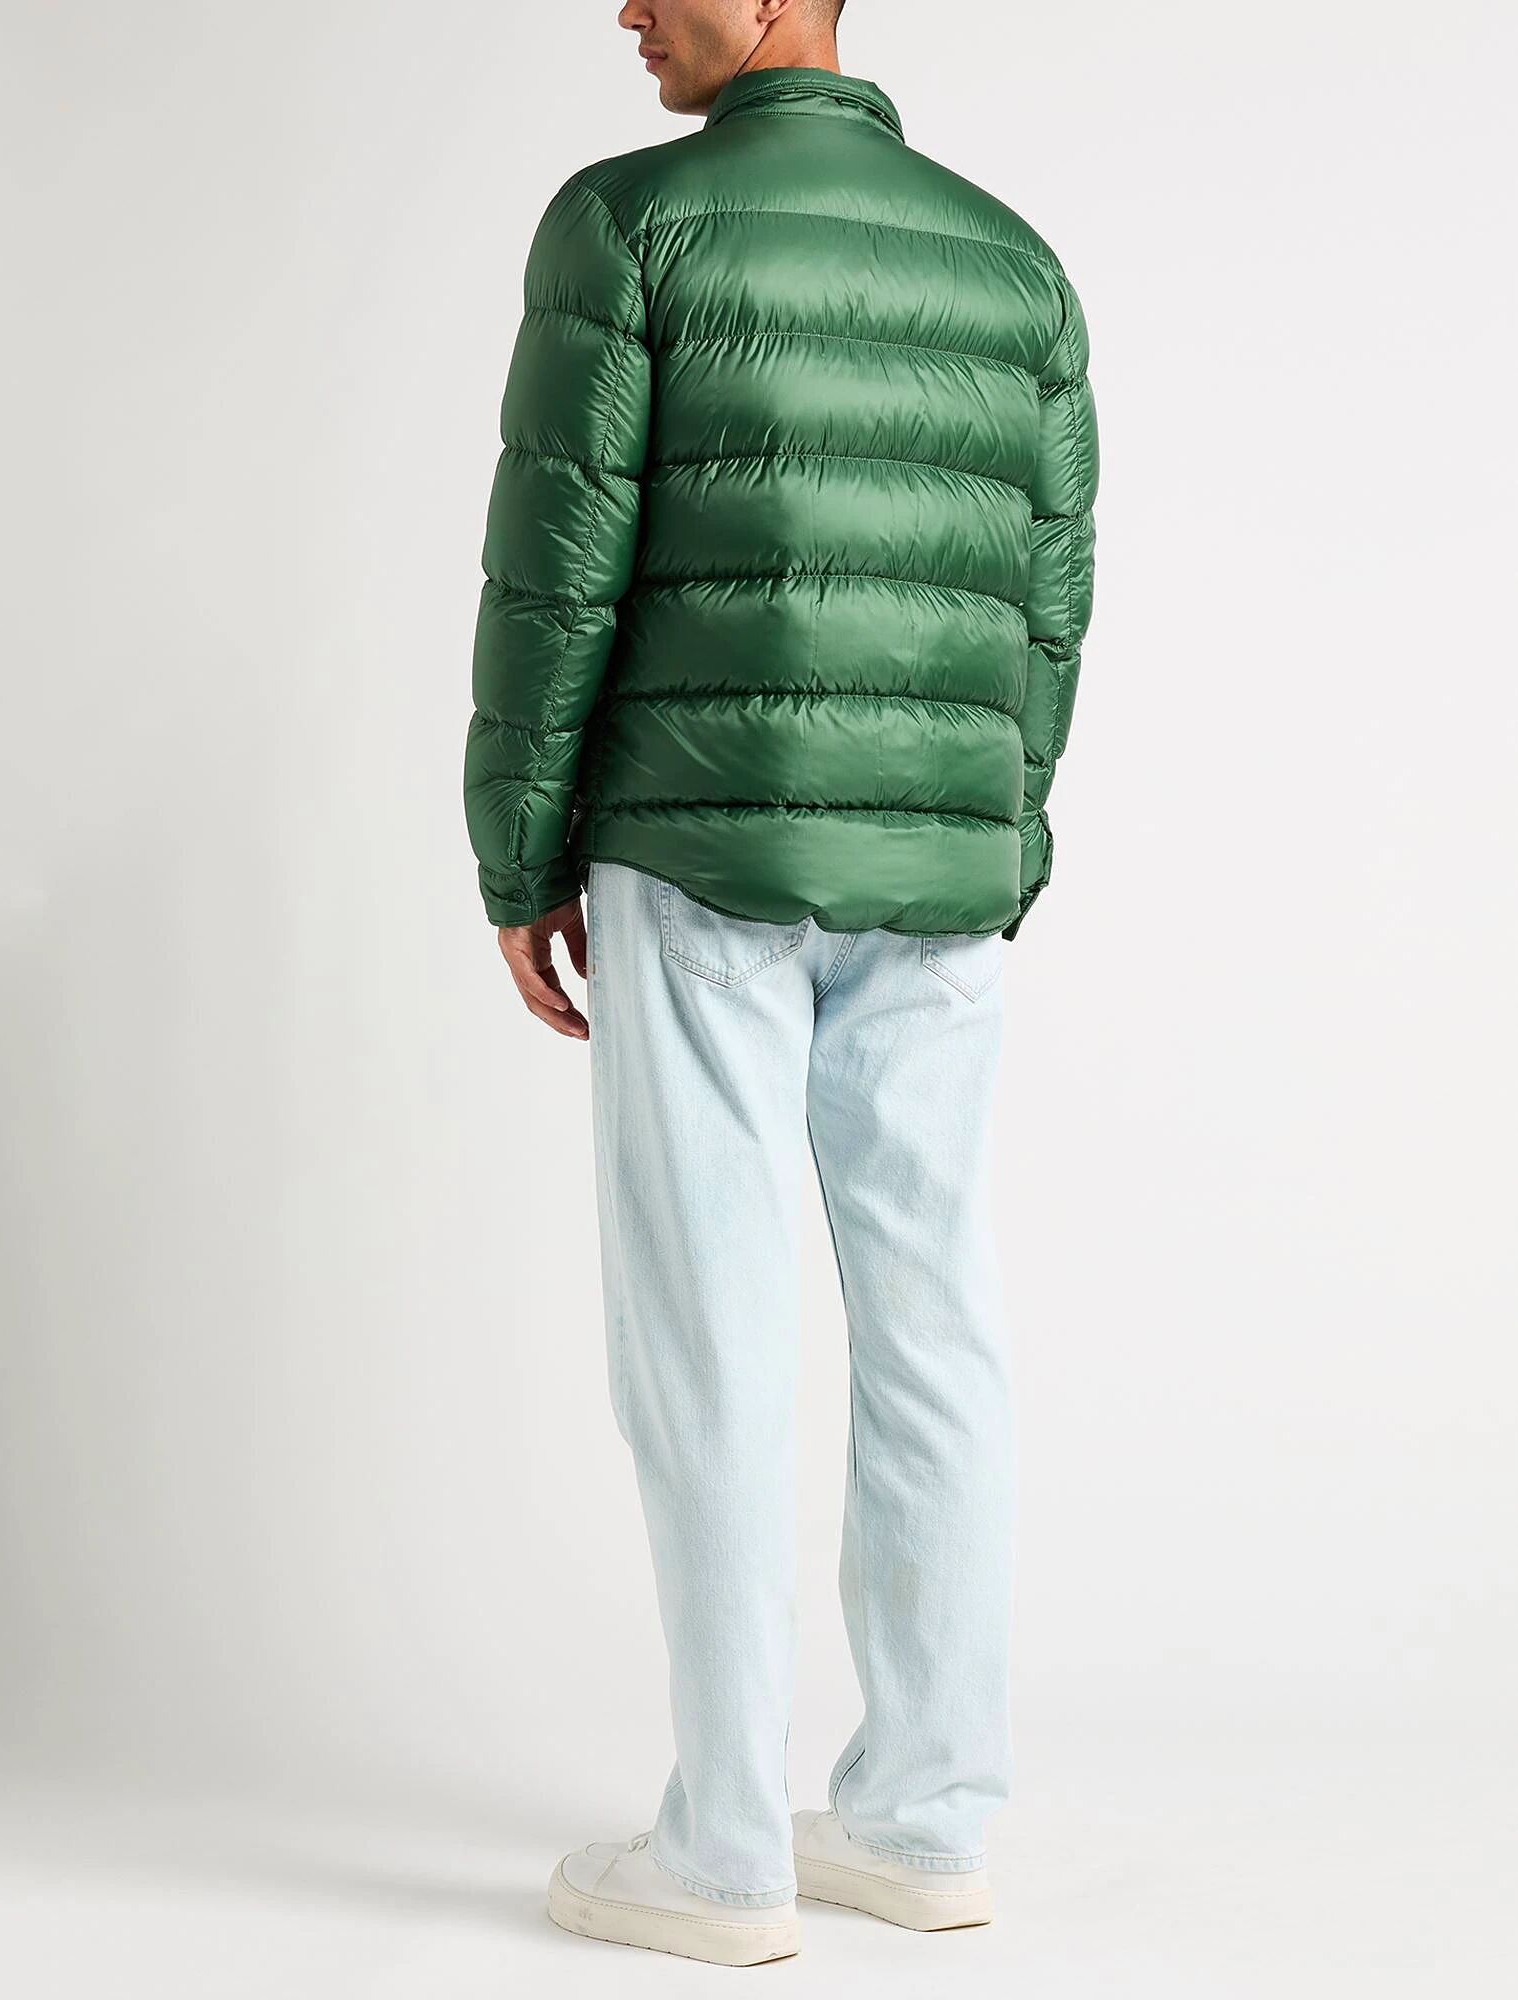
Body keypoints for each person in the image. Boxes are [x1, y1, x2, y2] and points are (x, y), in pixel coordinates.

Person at [462, 0, 1098, 1966]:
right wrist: (1001, 833)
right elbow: (1049, 604)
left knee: (710, 1337)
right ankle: (925, 1822)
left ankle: (727, 1855)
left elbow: (557, 567)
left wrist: (520, 849)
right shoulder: (1011, 263)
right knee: (937, 1326)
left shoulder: (629, 224)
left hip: (702, 852)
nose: (626, 10)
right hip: (939, 868)